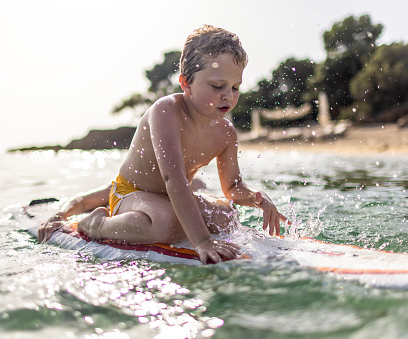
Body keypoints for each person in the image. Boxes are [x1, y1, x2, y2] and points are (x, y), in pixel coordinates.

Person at [38, 25, 289, 264]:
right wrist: (202, 241)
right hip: (132, 193)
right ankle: (96, 224)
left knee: (226, 216)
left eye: (235, 87)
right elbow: (173, 179)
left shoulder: (226, 133)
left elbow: (233, 186)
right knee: (165, 221)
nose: (228, 95)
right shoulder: (166, 110)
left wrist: (258, 198)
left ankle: (188, 208)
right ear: (186, 83)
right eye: (217, 85)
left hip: (173, 196)